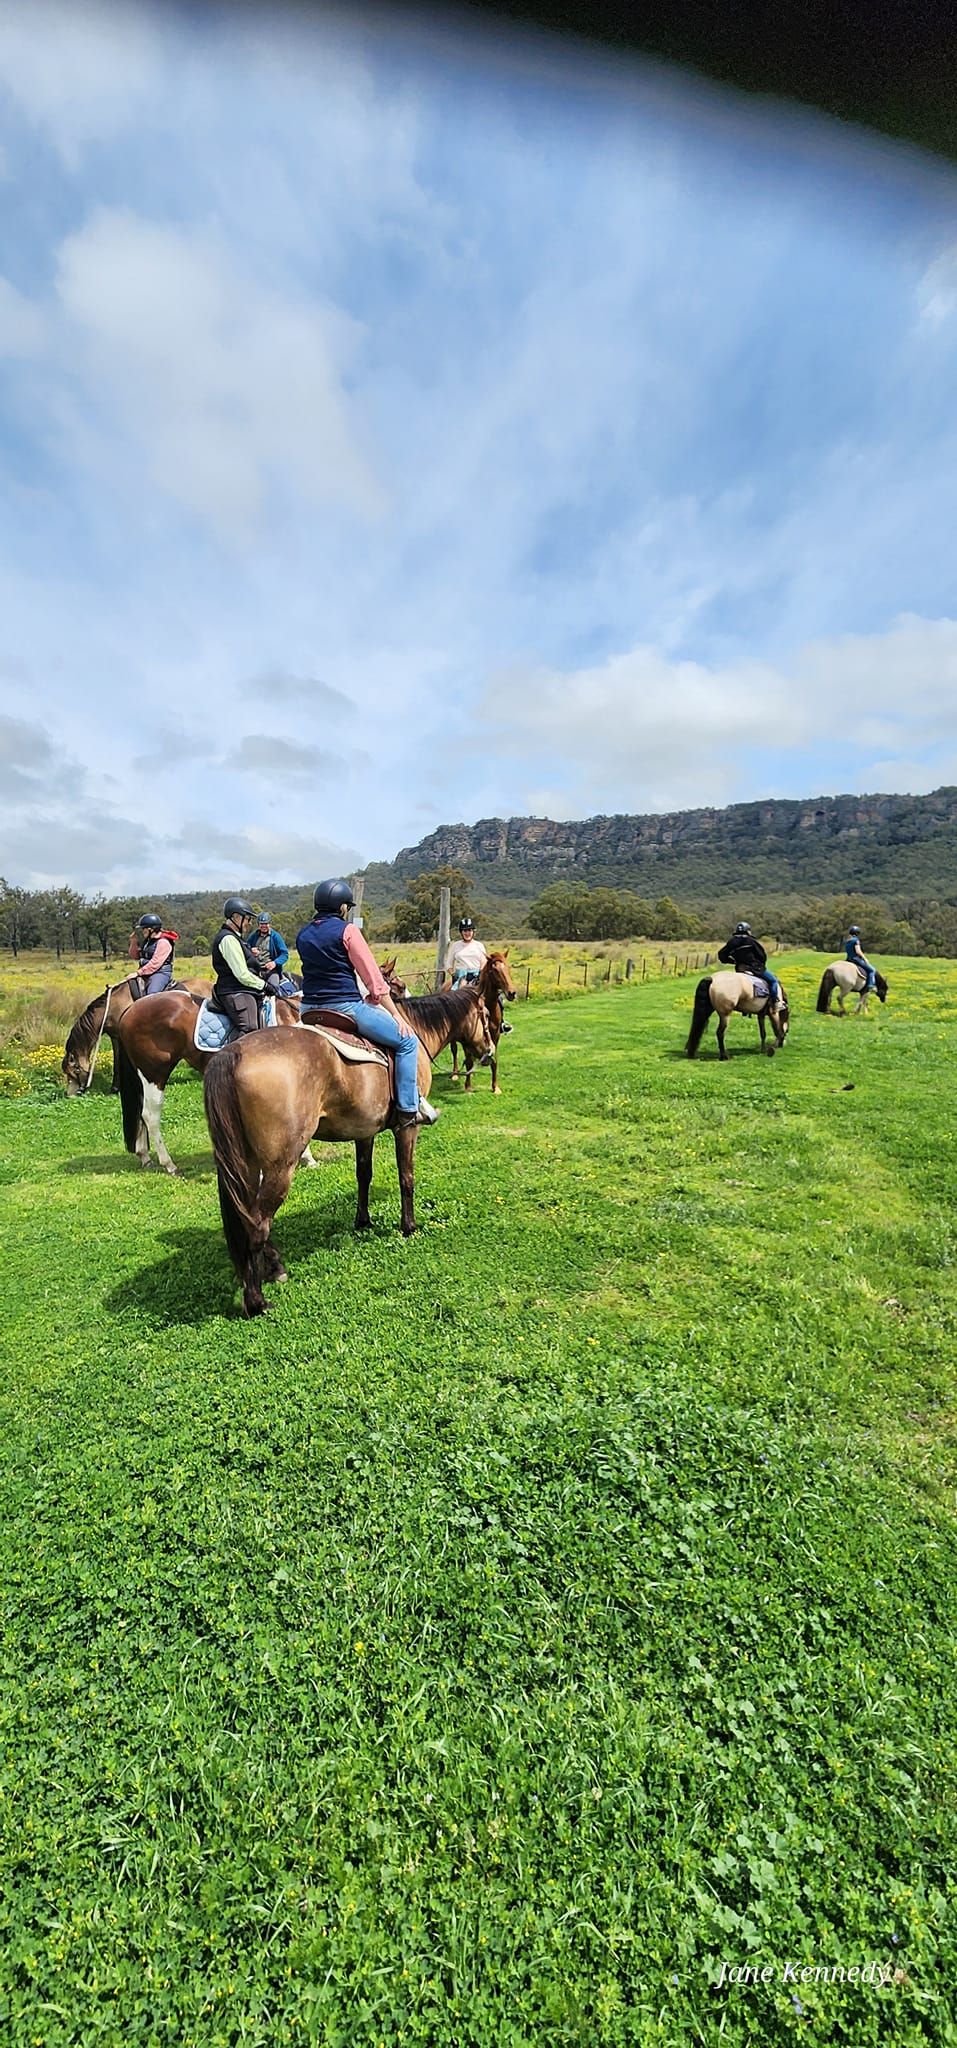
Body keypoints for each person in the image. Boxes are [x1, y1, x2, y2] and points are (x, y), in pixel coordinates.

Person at [297, 879, 438, 1128]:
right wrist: (397, 1015)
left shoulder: (303, 934)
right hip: (345, 1007)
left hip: (309, 1009)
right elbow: (373, 978)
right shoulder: (348, 931)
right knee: (407, 1041)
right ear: (342, 906)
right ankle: (409, 1108)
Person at [211, 897, 281, 1035]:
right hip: (234, 990)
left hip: (243, 988)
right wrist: (265, 985)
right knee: (250, 1029)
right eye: (247, 918)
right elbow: (242, 974)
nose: (249, 923)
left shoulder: (237, 938)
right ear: (236, 917)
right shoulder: (228, 939)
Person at [445, 915, 513, 1032]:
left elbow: (484, 962)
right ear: (461, 932)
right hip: (462, 976)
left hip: (478, 974)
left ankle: (501, 1022)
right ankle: (453, 1025)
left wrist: (481, 973)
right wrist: (454, 975)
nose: (468, 933)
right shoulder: (456, 946)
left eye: (470, 930)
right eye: (465, 931)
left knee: (497, 997)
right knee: (453, 998)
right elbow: (448, 965)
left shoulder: (479, 946)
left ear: (473, 932)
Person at [717, 921, 783, 1009]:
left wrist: (733, 962)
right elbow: (762, 955)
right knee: (773, 981)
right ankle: (775, 1003)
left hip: (740, 968)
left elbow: (721, 955)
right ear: (748, 931)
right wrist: (760, 964)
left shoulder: (731, 942)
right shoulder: (751, 941)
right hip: (754, 968)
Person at [128, 913, 177, 996]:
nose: (143, 931)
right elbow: (135, 956)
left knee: (152, 995)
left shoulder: (163, 942)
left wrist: (138, 973)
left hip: (160, 973)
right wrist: (133, 942)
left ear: (151, 929)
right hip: (146, 972)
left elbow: (155, 963)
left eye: (144, 929)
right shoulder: (147, 941)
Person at [844, 924, 877, 994]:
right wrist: (865, 958)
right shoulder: (856, 940)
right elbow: (858, 951)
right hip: (855, 959)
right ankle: (871, 986)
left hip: (848, 959)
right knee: (872, 970)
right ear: (857, 933)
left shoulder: (847, 941)